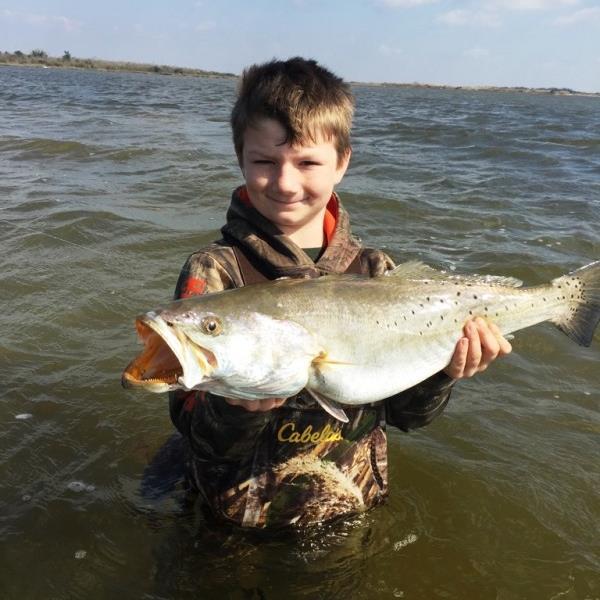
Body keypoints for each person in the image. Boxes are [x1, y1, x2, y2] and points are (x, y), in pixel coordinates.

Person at [169, 57, 512, 528]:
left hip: (349, 508)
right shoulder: (215, 270)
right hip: (232, 518)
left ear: (342, 162)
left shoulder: (375, 270)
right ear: (240, 158)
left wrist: (445, 372)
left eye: (308, 162)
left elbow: (409, 417)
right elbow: (192, 428)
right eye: (264, 162)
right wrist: (236, 409)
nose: (286, 182)